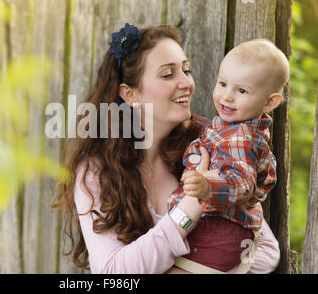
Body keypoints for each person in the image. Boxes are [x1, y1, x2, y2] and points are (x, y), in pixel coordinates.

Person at [53, 24, 280, 273]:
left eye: (186, 70)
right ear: (130, 94)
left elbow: (265, 251)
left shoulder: (208, 142)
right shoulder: (97, 170)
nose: (187, 83)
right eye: (168, 74)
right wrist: (192, 205)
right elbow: (113, 272)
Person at [167, 39, 289, 273]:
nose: (227, 96)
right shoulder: (226, 127)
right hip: (217, 228)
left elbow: (242, 182)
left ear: (270, 102)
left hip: (219, 231)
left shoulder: (241, 136)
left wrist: (208, 186)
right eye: (223, 84)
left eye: (241, 90)